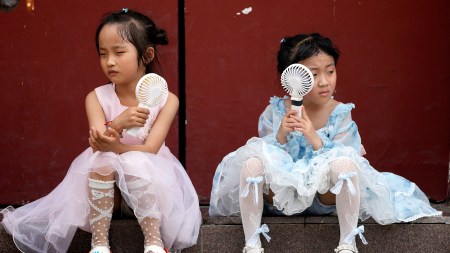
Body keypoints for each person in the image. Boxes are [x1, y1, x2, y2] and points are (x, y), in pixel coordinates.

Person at [209, 33, 441, 253]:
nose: (324, 82)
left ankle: (347, 243)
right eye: (313, 74)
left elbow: (349, 157)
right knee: (252, 162)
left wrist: (314, 137)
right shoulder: (276, 110)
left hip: (325, 196)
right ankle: (252, 244)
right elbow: (268, 156)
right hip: (282, 196)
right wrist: (281, 135)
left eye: (330, 71)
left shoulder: (339, 112)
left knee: (344, 165)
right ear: (292, 78)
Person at [1, 8, 201, 253]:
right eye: (103, 53)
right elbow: (98, 143)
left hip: (151, 184)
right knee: (102, 160)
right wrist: (118, 123)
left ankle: (154, 243)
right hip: (109, 194)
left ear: (147, 54)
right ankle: (99, 244)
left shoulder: (167, 100)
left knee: (135, 160)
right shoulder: (96, 97)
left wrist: (116, 146)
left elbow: (149, 149)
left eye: (119, 52)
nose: (110, 62)